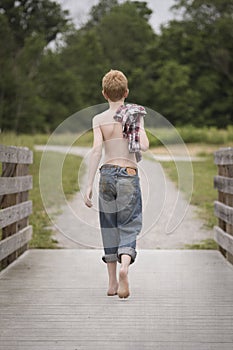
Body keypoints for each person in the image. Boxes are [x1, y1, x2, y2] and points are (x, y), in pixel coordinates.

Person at [84, 69, 149, 298]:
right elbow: (145, 145)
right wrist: (135, 126)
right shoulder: (133, 115)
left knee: (109, 227)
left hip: (107, 175)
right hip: (129, 174)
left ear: (104, 94)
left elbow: (96, 151)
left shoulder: (98, 119)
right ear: (126, 92)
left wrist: (89, 184)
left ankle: (112, 284)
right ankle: (124, 267)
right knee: (129, 224)